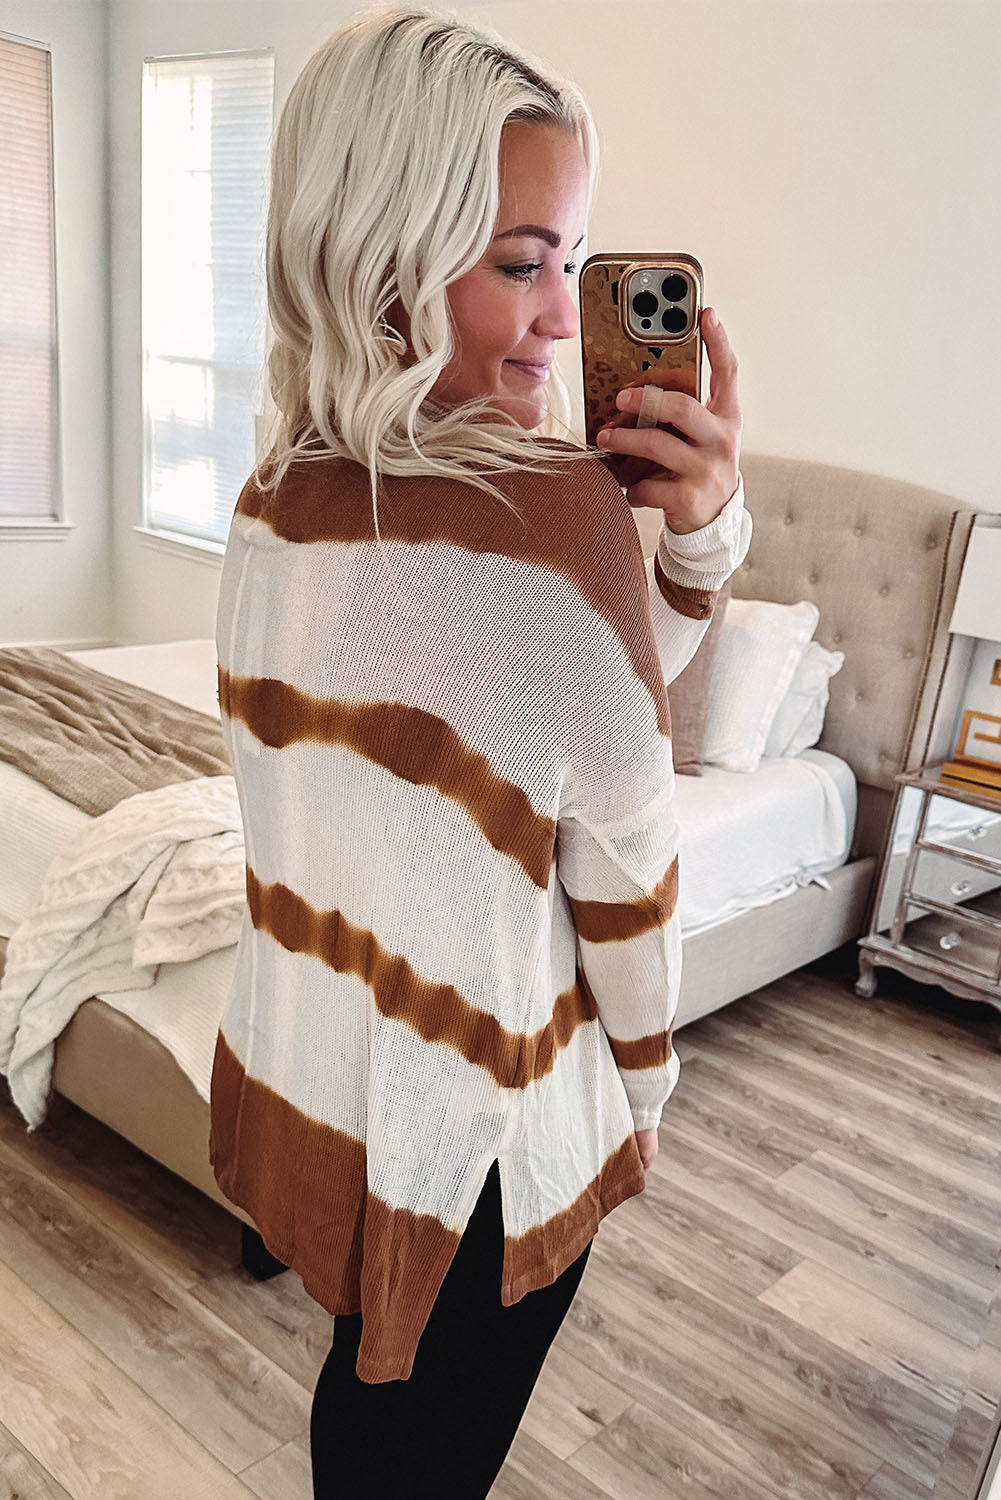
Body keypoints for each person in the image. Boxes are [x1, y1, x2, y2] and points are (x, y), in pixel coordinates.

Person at [207, 7, 751, 1497]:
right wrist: (642, 1097)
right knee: (418, 1455)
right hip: (487, 1137)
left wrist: (684, 548)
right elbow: (628, 872)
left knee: (362, 1401)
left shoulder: (277, 494)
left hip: (326, 1075)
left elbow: (553, 722)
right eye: (521, 263)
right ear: (380, 251)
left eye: (573, 261)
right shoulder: (556, 520)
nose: (565, 321)